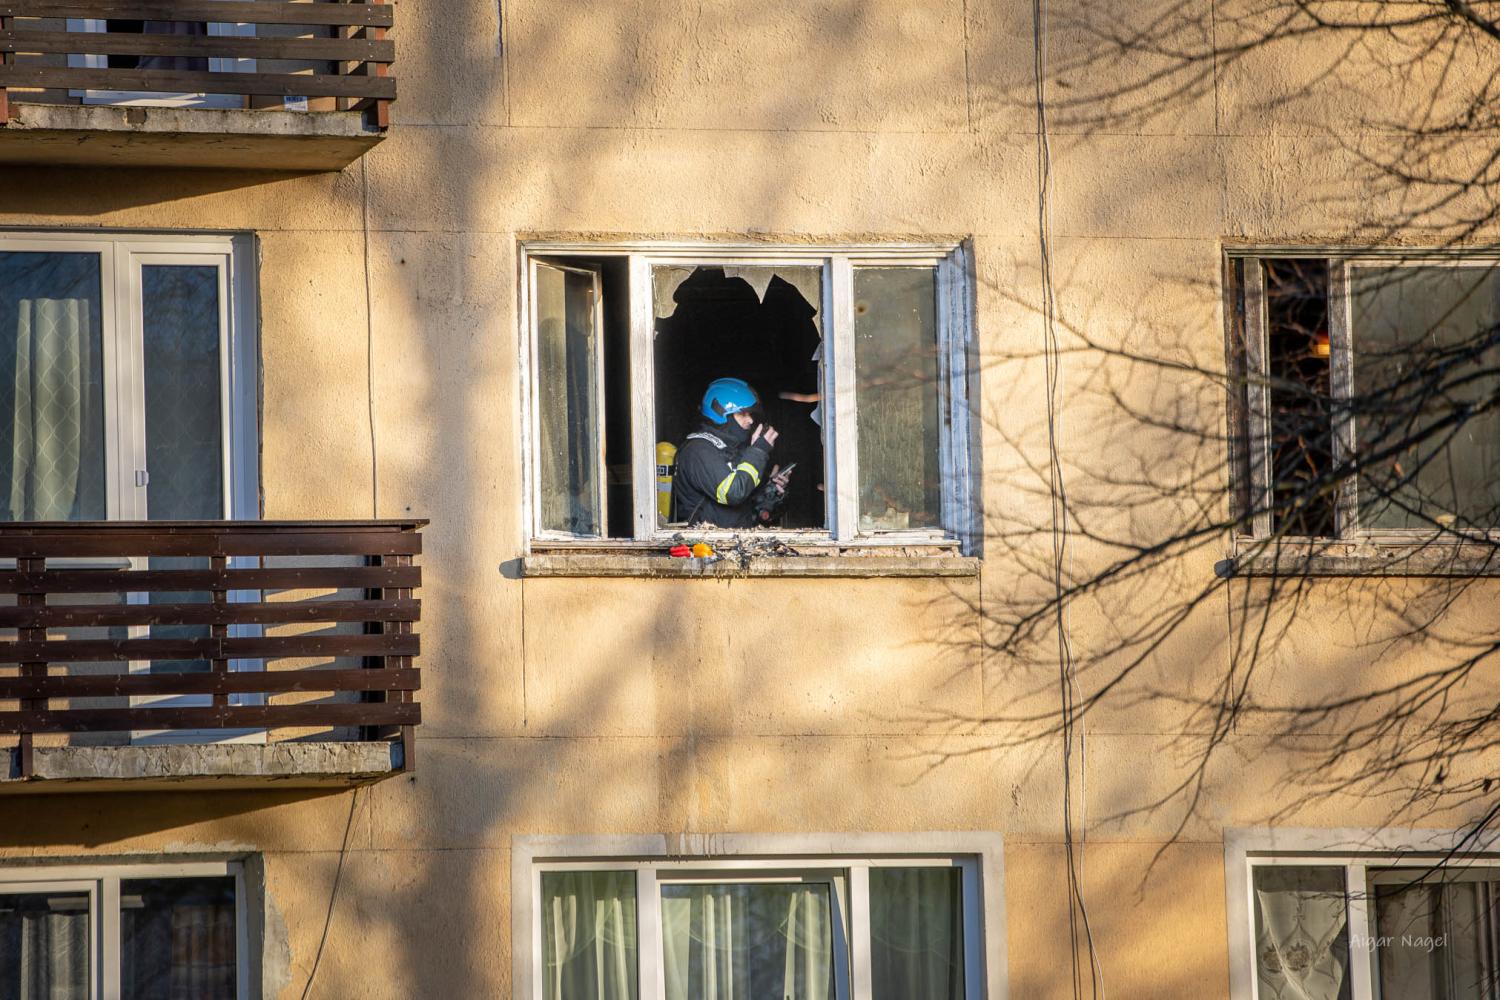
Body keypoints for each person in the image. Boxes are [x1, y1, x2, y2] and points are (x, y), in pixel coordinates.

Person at [672, 378, 794, 528]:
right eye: (742, 414)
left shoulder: (731, 450)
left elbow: (744, 510)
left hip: (735, 539)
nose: (750, 420)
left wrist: (770, 491)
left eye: (750, 414)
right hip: (706, 542)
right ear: (721, 413)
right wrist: (759, 451)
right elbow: (733, 493)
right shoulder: (698, 450)